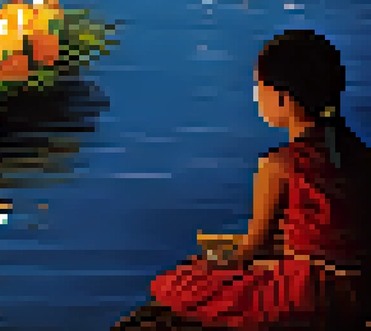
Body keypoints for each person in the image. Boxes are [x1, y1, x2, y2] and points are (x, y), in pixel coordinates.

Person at [143, 30, 367, 329]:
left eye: (258, 87)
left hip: (309, 296)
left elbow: (252, 251)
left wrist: (218, 263)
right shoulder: (359, 154)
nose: (255, 96)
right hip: (361, 291)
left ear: (282, 98)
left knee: (175, 282)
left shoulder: (280, 164)